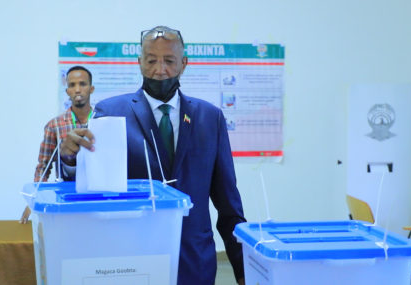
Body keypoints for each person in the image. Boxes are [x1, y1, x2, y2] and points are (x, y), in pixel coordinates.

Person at [60, 26, 246, 285]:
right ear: (139, 63)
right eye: (151, 61)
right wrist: (70, 159)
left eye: (169, 61)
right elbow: (92, 188)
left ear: (184, 63)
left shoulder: (210, 118)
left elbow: (228, 203)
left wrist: (242, 268)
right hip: (132, 258)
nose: (160, 70)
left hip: (195, 261)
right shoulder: (111, 113)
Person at [20, 65, 95, 223]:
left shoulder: (102, 120)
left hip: (97, 196)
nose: (77, 89)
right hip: (66, 199)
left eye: (82, 84)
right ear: (67, 91)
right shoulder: (55, 125)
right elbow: (43, 166)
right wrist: (34, 199)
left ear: (91, 88)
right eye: (72, 85)